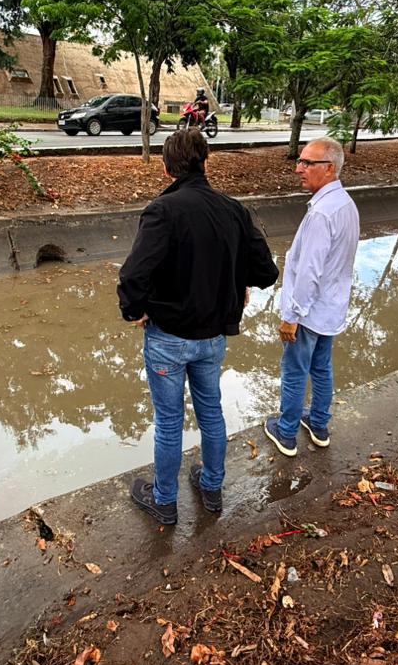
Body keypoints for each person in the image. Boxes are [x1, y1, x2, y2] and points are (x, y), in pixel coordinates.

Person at [119, 128, 279, 524]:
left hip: (168, 339)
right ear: (204, 161)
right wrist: (235, 279)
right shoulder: (234, 210)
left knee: (170, 421)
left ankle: (165, 501)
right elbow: (266, 272)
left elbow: (133, 275)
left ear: (167, 166)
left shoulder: (163, 210)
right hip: (212, 338)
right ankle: (211, 487)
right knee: (211, 411)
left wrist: (133, 310)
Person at [264, 137, 360, 457]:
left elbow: (309, 272)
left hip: (308, 311)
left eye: (308, 163)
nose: (299, 169)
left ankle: (287, 431)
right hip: (330, 308)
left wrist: (291, 316)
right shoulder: (345, 204)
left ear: (329, 169)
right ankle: (318, 424)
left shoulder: (322, 213)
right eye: (300, 161)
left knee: (294, 370)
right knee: (321, 367)